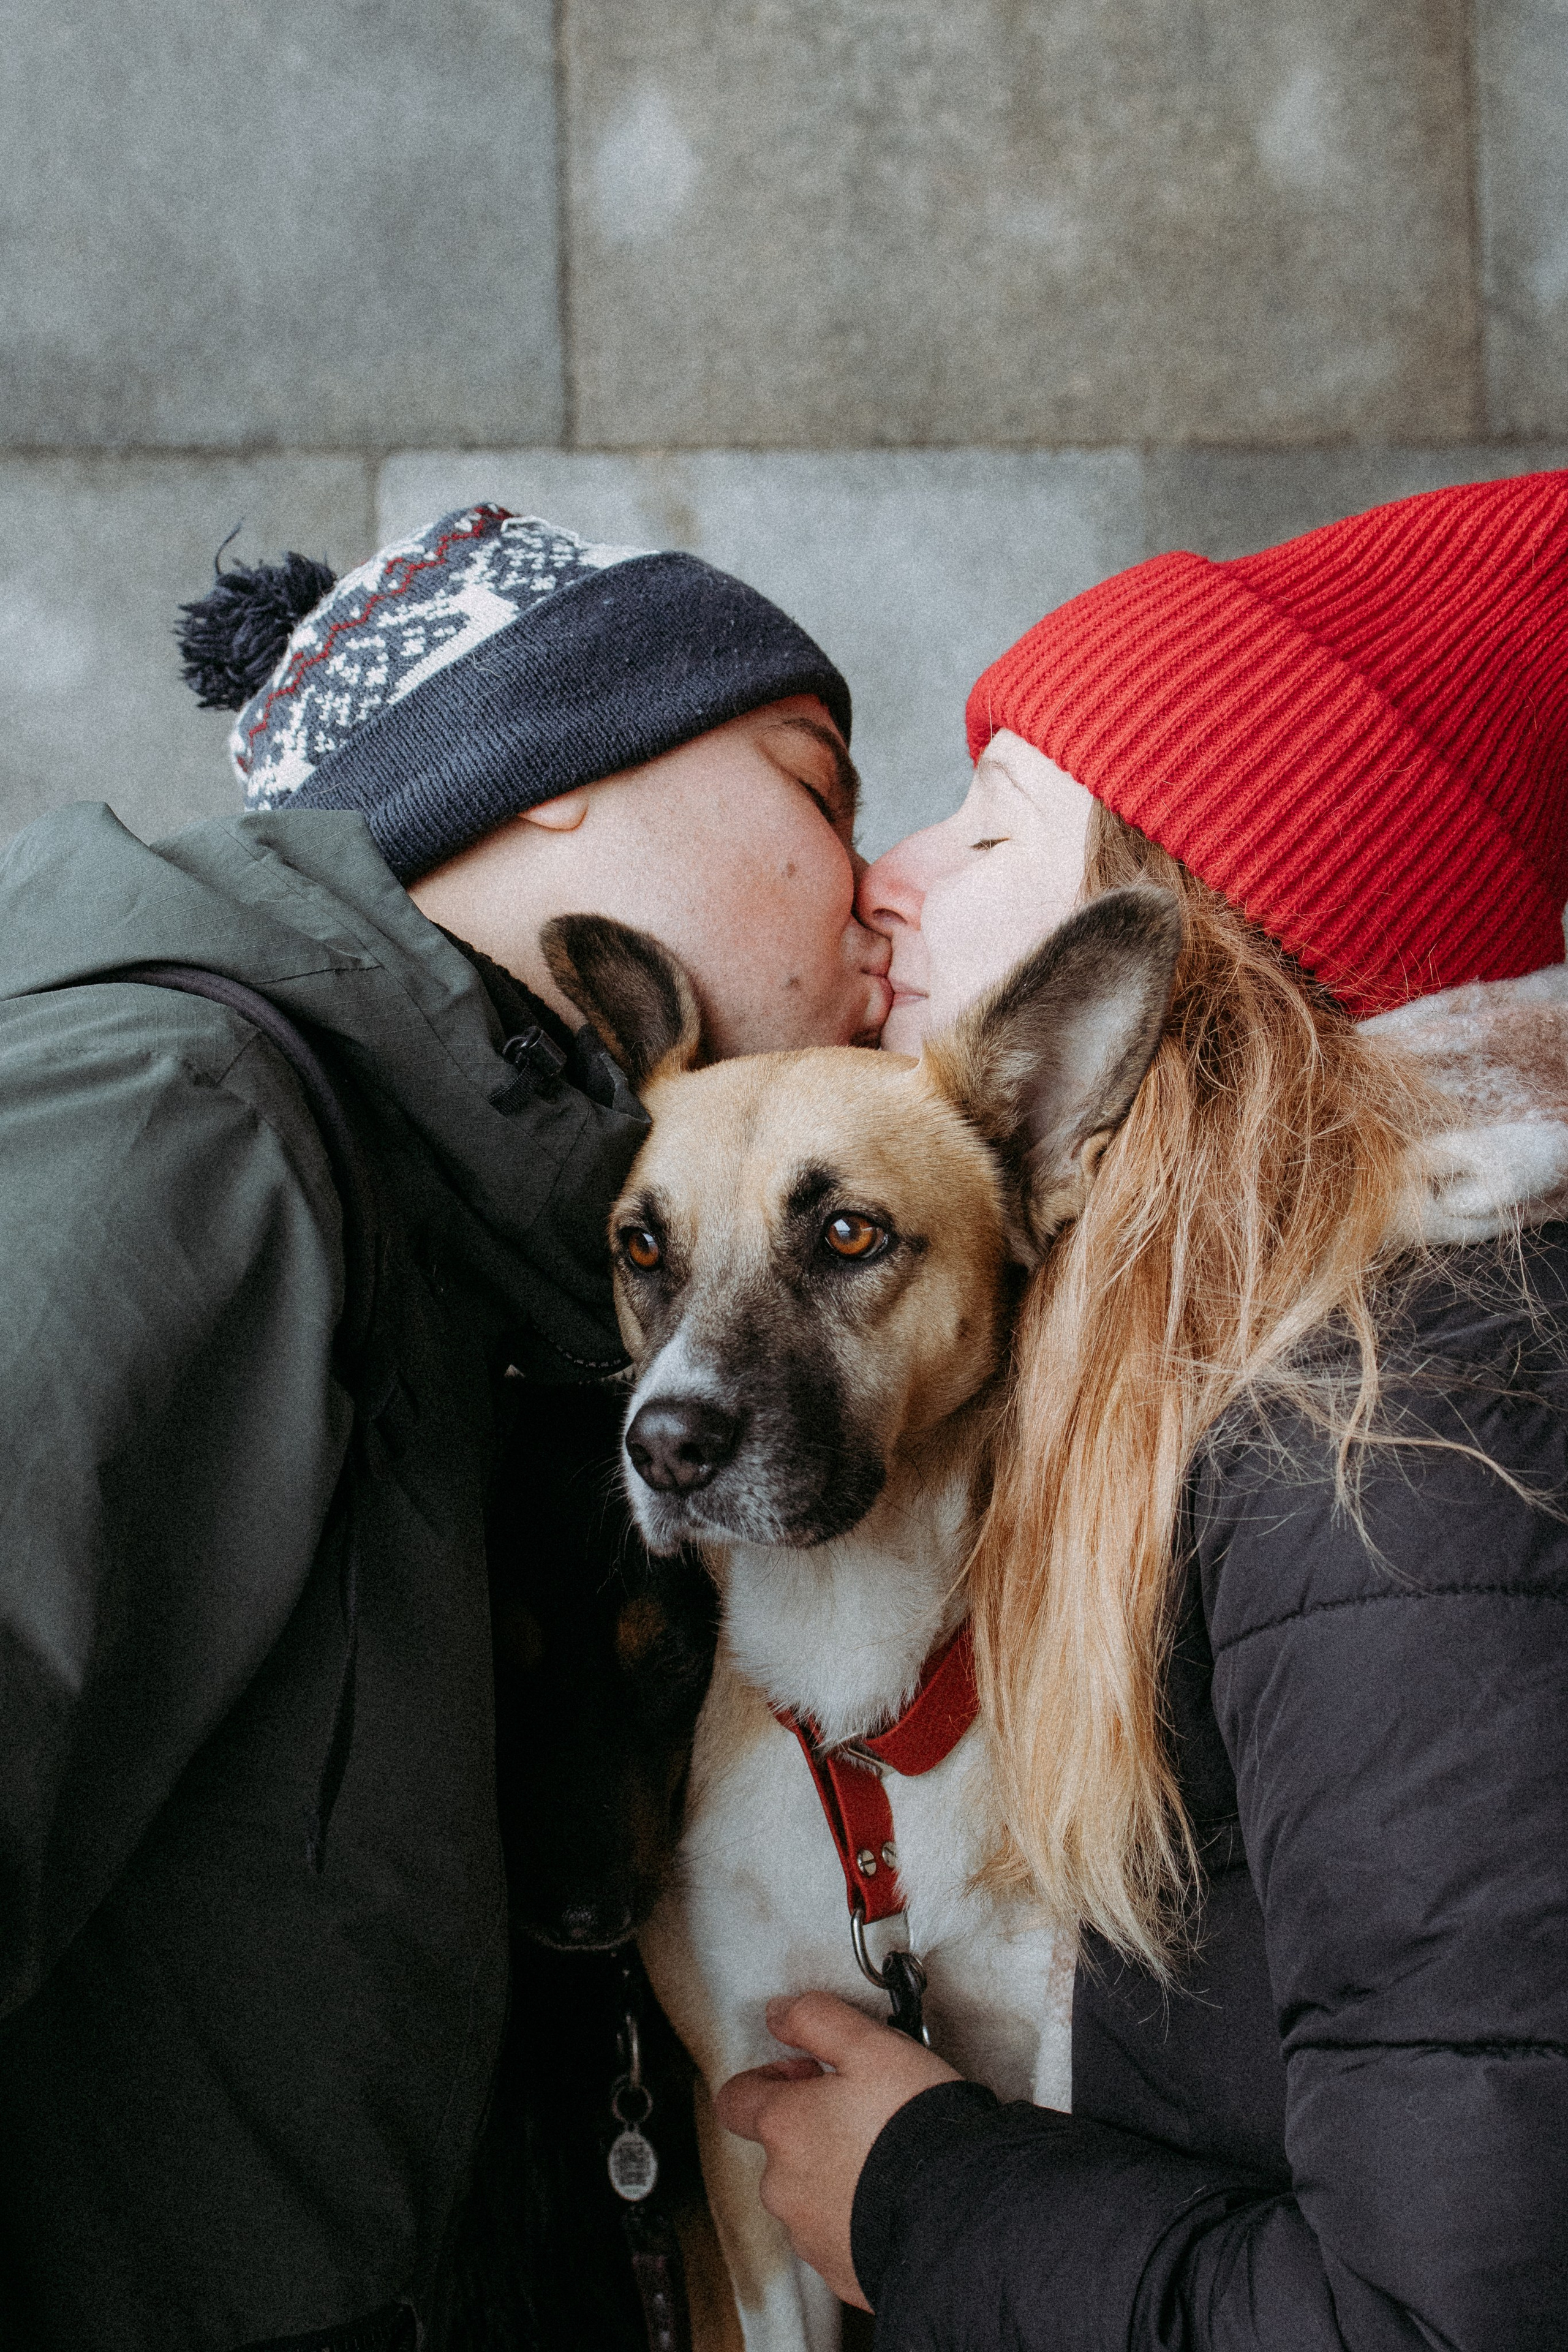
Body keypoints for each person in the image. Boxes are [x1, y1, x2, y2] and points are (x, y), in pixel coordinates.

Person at [0, 504, 889, 2352]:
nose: (873, 890)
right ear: (553, 774)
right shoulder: (182, 1117)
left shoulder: (473, 1218)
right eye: (817, 785)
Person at [714, 471, 1568, 2348]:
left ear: (1182, 946)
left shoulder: (1404, 1443)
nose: (888, 873)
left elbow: (1449, 2321)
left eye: (992, 822)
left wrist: (922, 2198)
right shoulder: (1250, 1369)